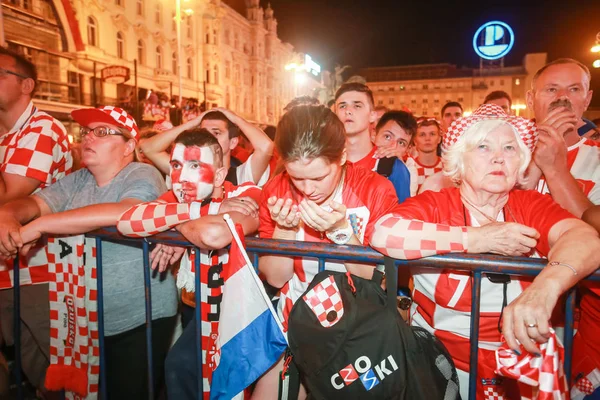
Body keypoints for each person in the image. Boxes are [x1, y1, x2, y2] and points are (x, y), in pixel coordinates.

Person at [369, 104, 600, 400]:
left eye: (509, 148)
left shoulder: (530, 204)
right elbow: (384, 231)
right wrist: (476, 239)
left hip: (522, 372)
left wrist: (544, 288)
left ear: (521, 162)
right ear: (459, 161)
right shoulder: (437, 204)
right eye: (483, 146)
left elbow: (585, 238)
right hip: (441, 370)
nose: (498, 157)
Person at [0, 106, 176, 400]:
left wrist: (41, 225)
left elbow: (126, 211)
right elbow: (32, 203)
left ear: (129, 145)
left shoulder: (142, 173)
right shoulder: (79, 179)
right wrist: (7, 215)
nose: (88, 138)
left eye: (102, 132)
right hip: (86, 317)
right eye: (86, 131)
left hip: (139, 316)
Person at [254, 105, 400, 399]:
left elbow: (378, 279)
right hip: (294, 317)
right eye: (297, 178)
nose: (308, 189)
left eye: (318, 177)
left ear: (342, 156)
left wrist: (342, 233)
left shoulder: (376, 189)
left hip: (357, 325)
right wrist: (283, 231)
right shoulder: (276, 189)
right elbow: (274, 277)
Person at [116, 128, 261, 400]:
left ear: (219, 175)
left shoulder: (246, 190)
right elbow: (127, 221)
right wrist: (185, 225)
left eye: (195, 165)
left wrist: (174, 226)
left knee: (185, 368)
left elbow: (212, 235)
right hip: (195, 306)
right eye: (176, 165)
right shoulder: (182, 201)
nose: (182, 177)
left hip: (239, 312)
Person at [523, 58, 600, 397]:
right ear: (530, 99)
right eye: (551, 89)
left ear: (588, 97)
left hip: (580, 318)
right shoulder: (498, 151)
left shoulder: (597, 155)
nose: (562, 99)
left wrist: (554, 167)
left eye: (573, 90)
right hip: (511, 305)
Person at [0, 46, 72, 397]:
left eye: (0, 74)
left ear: (26, 85)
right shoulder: (3, 135)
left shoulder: (41, 129)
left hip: (39, 271)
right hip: (7, 269)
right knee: (27, 365)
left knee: (50, 365)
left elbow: (11, 196)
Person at [141, 107, 273, 186]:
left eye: (216, 133)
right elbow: (148, 148)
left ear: (233, 142)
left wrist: (234, 118)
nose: (208, 138)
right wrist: (193, 123)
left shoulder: (242, 176)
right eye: (204, 132)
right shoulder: (187, 171)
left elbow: (265, 146)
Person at [334, 83, 412, 201]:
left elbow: (403, 216)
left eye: (357, 106)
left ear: (372, 116)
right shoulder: (326, 163)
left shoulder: (392, 167)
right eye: (342, 106)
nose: (348, 111)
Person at [411, 118, 443, 190]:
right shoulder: (409, 167)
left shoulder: (449, 167)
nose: (427, 138)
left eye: (432, 134)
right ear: (415, 141)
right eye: (422, 135)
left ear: (439, 139)